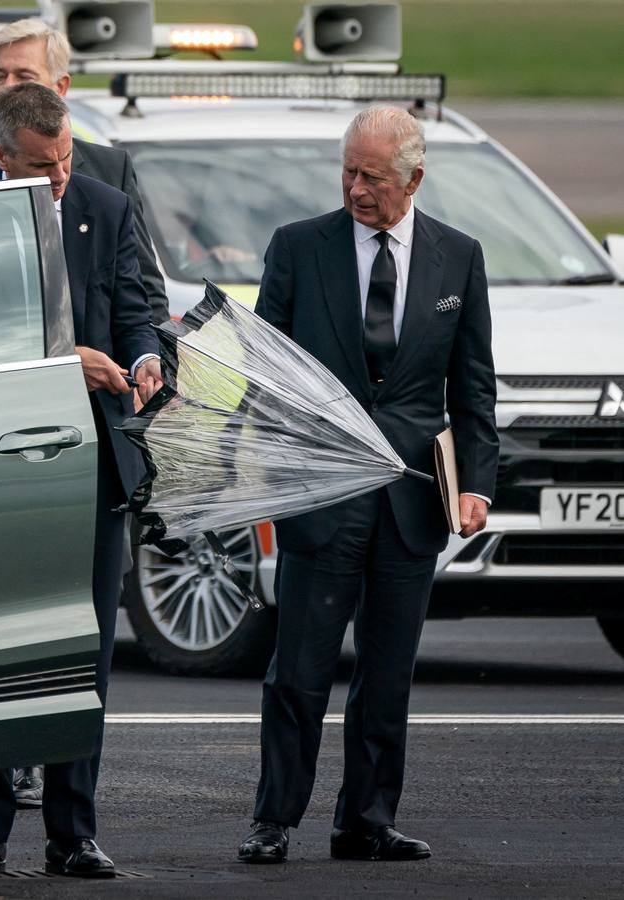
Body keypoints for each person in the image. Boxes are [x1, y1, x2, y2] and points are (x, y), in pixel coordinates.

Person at [237, 106, 498, 865]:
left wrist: (476, 484)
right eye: (348, 170)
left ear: (414, 179)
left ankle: (367, 821)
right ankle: (273, 819)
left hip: (414, 502)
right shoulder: (297, 248)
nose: (355, 187)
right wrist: (272, 462)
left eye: (372, 177)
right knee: (300, 673)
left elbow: (472, 386)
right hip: (323, 497)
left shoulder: (459, 257)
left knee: (386, 677)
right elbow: (264, 371)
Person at [0, 82, 161, 881]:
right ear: (0, 156)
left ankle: (74, 831)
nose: (62, 175)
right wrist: (64, 362)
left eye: (67, 157)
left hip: (90, 460)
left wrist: (144, 359)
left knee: (87, 652)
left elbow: (136, 307)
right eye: (43, 165)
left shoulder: (103, 205)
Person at [0, 18, 168, 327]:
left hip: (107, 369)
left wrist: (155, 363)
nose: (8, 87)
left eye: (24, 77)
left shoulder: (110, 171)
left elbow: (145, 288)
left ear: (61, 87)